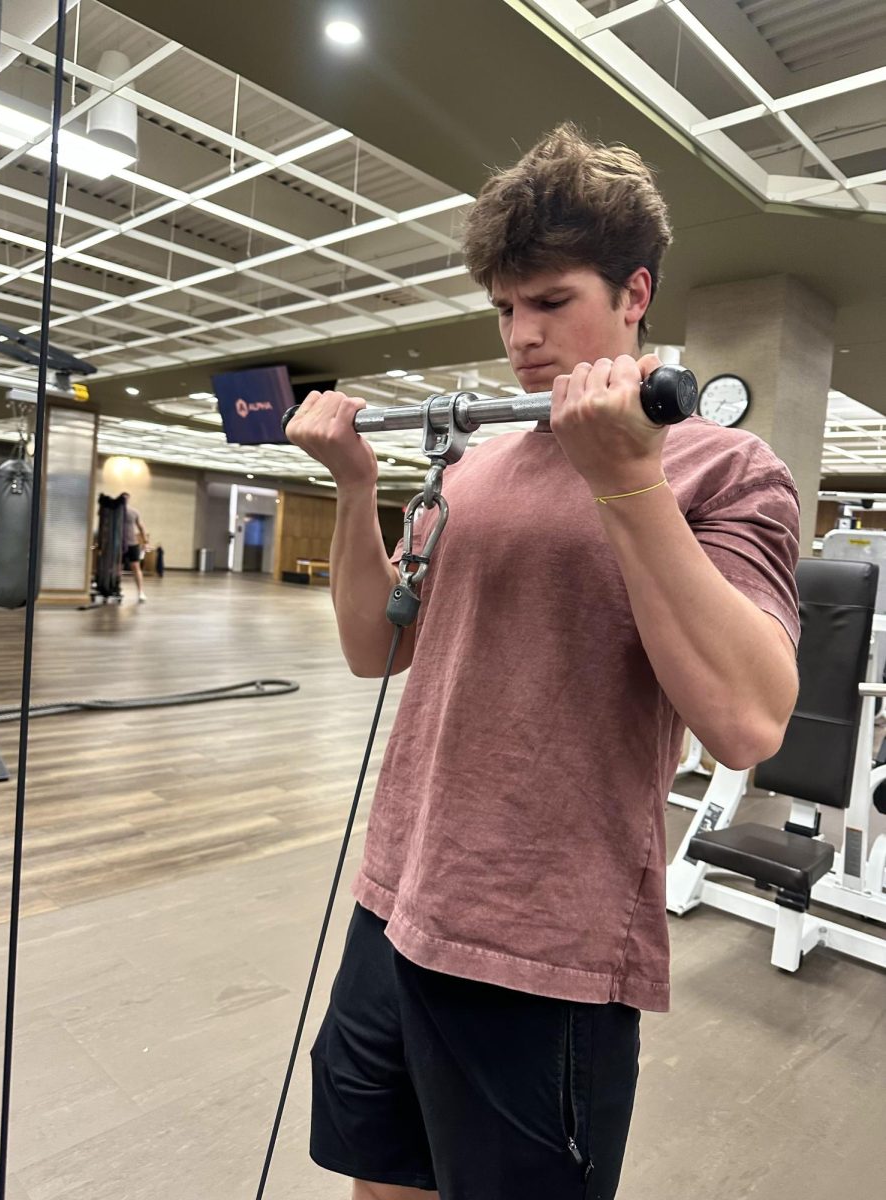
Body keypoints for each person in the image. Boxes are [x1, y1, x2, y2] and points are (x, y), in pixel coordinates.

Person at [287, 124, 801, 1200]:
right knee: (379, 1182)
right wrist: (350, 486)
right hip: (396, 899)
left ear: (634, 293)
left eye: (550, 301)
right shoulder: (473, 470)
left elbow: (751, 722)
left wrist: (624, 480)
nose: (520, 336)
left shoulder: (722, 463)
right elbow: (373, 647)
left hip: (541, 943)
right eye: (504, 309)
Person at [120, 492, 149, 603]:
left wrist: (146, 542)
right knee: (117, 568)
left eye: (127, 498)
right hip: (119, 544)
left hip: (133, 543)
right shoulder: (115, 511)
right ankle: (116, 589)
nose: (125, 500)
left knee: (136, 567)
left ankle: (141, 592)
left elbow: (141, 527)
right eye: (123, 498)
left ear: (129, 499)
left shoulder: (134, 512)